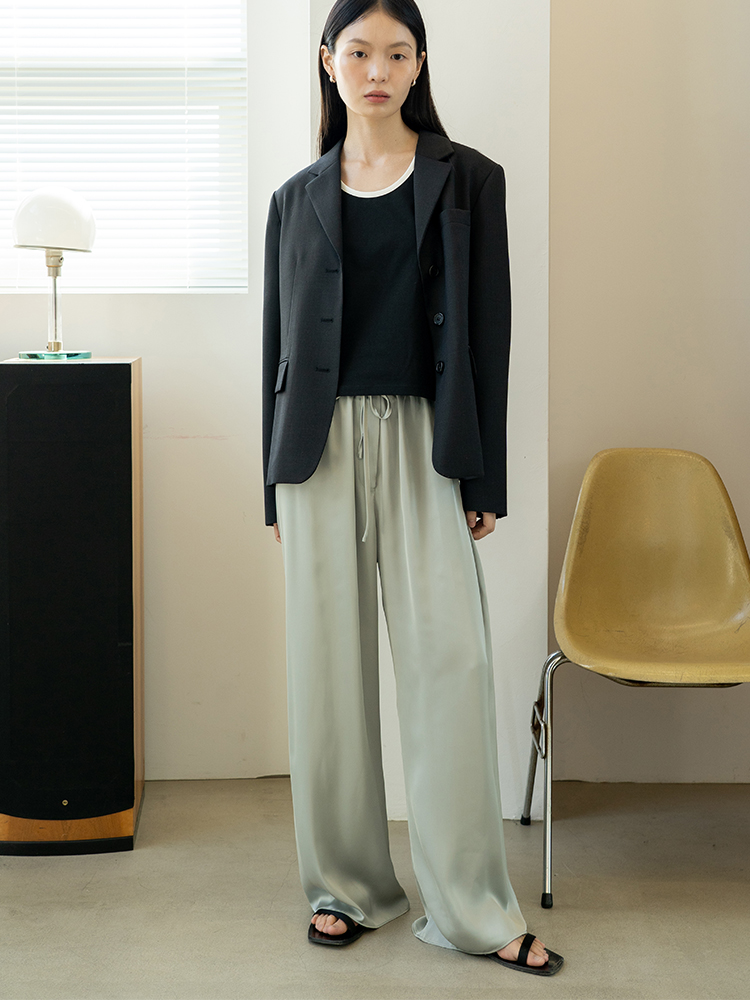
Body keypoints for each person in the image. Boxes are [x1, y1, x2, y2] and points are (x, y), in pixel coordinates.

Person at [262, 0, 563, 978]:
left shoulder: (469, 180)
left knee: (451, 671)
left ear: (420, 64)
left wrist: (486, 477)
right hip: (317, 454)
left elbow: (490, 336)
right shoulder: (295, 197)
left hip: (431, 443)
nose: (377, 70)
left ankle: (472, 907)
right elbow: (275, 349)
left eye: (397, 53)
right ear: (329, 61)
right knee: (327, 680)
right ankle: (346, 887)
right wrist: (273, 486)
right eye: (360, 51)